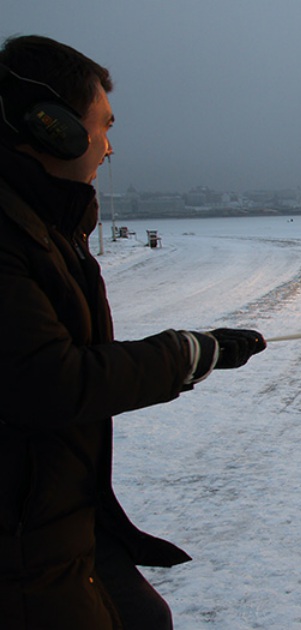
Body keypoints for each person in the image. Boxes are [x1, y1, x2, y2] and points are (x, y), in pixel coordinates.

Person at [0, 35, 267, 629]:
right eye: (104, 125)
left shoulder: (45, 224)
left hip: (64, 518)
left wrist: (203, 353)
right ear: (53, 128)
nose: (109, 146)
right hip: (24, 544)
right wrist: (187, 353)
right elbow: (49, 378)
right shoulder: (14, 233)